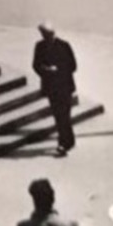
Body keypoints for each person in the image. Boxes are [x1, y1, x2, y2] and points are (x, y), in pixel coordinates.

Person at [32, 23, 79, 156]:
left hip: (64, 86)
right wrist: (46, 70)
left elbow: (73, 66)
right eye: (44, 35)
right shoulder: (39, 46)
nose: (47, 37)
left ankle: (63, 143)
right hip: (52, 88)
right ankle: (68, 140)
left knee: (64, 114)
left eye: (48, 35)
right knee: (59, 116)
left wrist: (58, 70)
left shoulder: (64, 46)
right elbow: (35, 65)